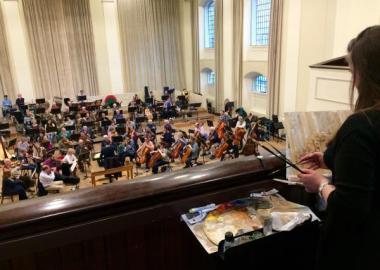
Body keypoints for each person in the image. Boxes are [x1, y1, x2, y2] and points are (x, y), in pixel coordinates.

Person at [297, 26, 380, 270]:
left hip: (360, 250)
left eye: (353, 71)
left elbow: (349, 208)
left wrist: (320, 185)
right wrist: (330, 158)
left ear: (364, 74)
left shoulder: (361, 124)